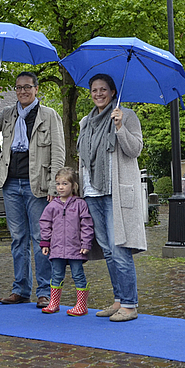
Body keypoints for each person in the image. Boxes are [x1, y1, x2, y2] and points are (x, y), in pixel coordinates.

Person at [0, 71, 65, 308]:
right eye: (18, 87)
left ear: (36, 89)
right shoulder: (9, 113)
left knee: (40, 239)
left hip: (37, 184)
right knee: (18, 239)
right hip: (10, 183)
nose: (23, 91)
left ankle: (45, 291)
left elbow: (58, 152)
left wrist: (54, 186)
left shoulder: (49, 115)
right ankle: (20, 289)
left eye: (27, 87)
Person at [77, 73, 146, 322]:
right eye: (94, 90)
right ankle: (118, 300)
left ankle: (130, 304)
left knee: (120, 249)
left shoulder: (126, 116)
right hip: (93, 193)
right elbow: (83, 159)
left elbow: (135, 149)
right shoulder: (87, 121)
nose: (98, 94)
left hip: (116, 194)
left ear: (113, 92)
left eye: (103, 89)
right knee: (107, 250)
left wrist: (119, 128)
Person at [39, 167, 94, 316]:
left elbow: (86, 225)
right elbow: (45, 223)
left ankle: (81, 305)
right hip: (57, 248)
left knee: (78, 274)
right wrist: (45, 242)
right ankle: (54, 303)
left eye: (64, 184)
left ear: (73, 185)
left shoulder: (80, 205)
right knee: (56, 274)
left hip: (75, 248)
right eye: (58, 184)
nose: (60, 187)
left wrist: (86, 243)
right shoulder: (52, 206)